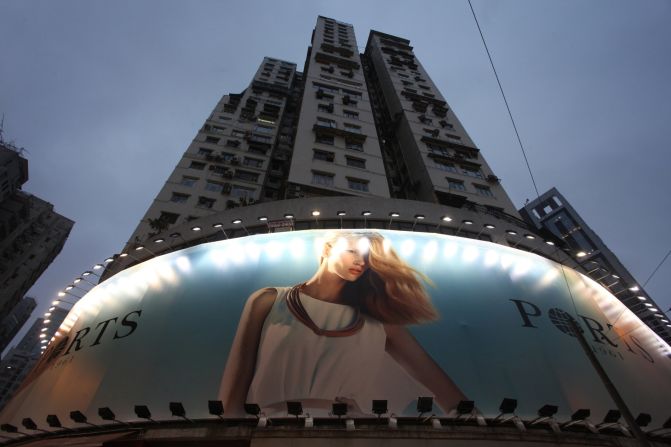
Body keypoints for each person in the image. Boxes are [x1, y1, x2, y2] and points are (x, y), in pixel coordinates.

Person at [219, 231, 465, 416]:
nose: (361, 262)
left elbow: (456, 403)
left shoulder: (377, 325)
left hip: (351, 435)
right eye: (353, 251)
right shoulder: (268, 301)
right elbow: (231, 397)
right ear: (327, 248)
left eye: (367, 257)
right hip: (271, 432)